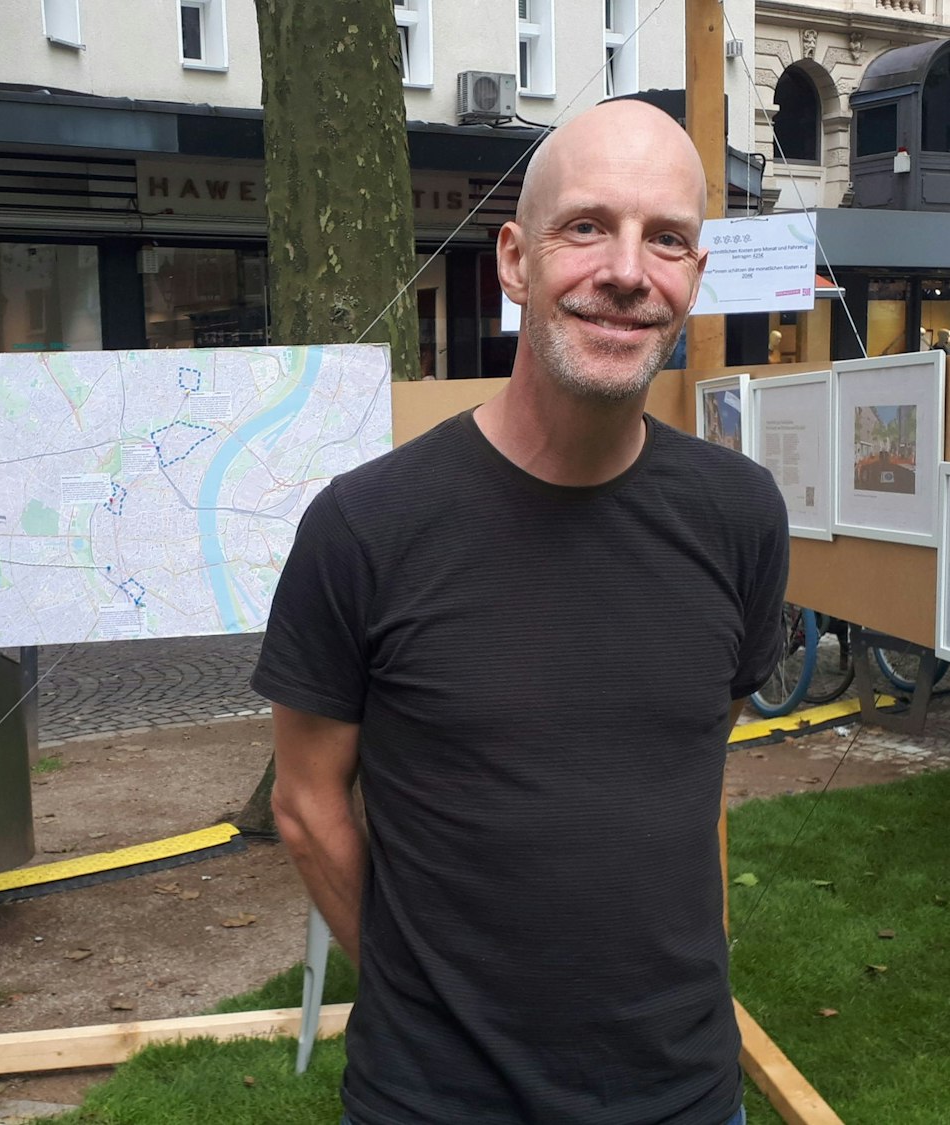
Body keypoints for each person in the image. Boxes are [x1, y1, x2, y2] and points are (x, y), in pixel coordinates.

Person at [253, 98, 789, 1125]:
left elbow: (692, 776)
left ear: (692, 278)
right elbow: (306, 804)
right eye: (586, 226)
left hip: (681, 1094)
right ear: (512, 260)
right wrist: (425, 1001)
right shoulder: (365, 527)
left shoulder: (738, 516)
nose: (627, 271)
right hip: (437, 1102)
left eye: (665, 239)